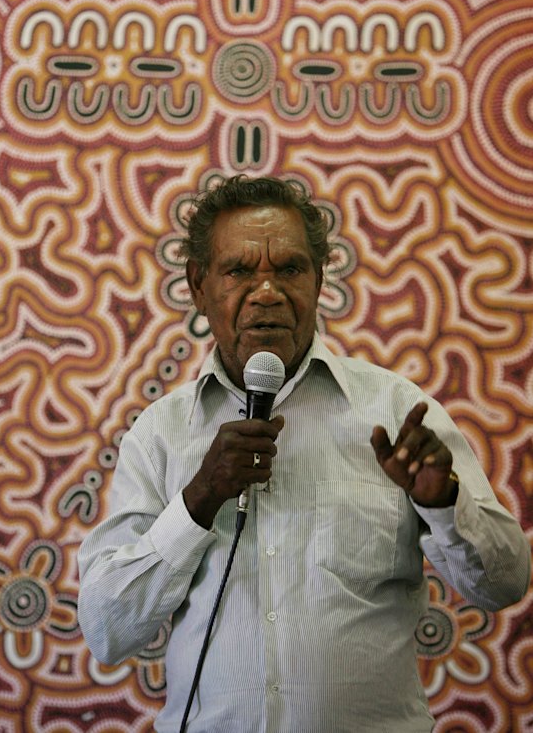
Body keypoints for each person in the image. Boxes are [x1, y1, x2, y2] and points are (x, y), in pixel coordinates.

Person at [77, 175, 530, 733]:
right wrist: (198, 499)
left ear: (318, 281)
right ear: (199, 286)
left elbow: (505, 585)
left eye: (289, 269)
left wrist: (445, 505)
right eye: (240, 271)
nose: (266, 292)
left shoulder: (398, 412)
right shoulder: (160, 433)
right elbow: (106, 628)